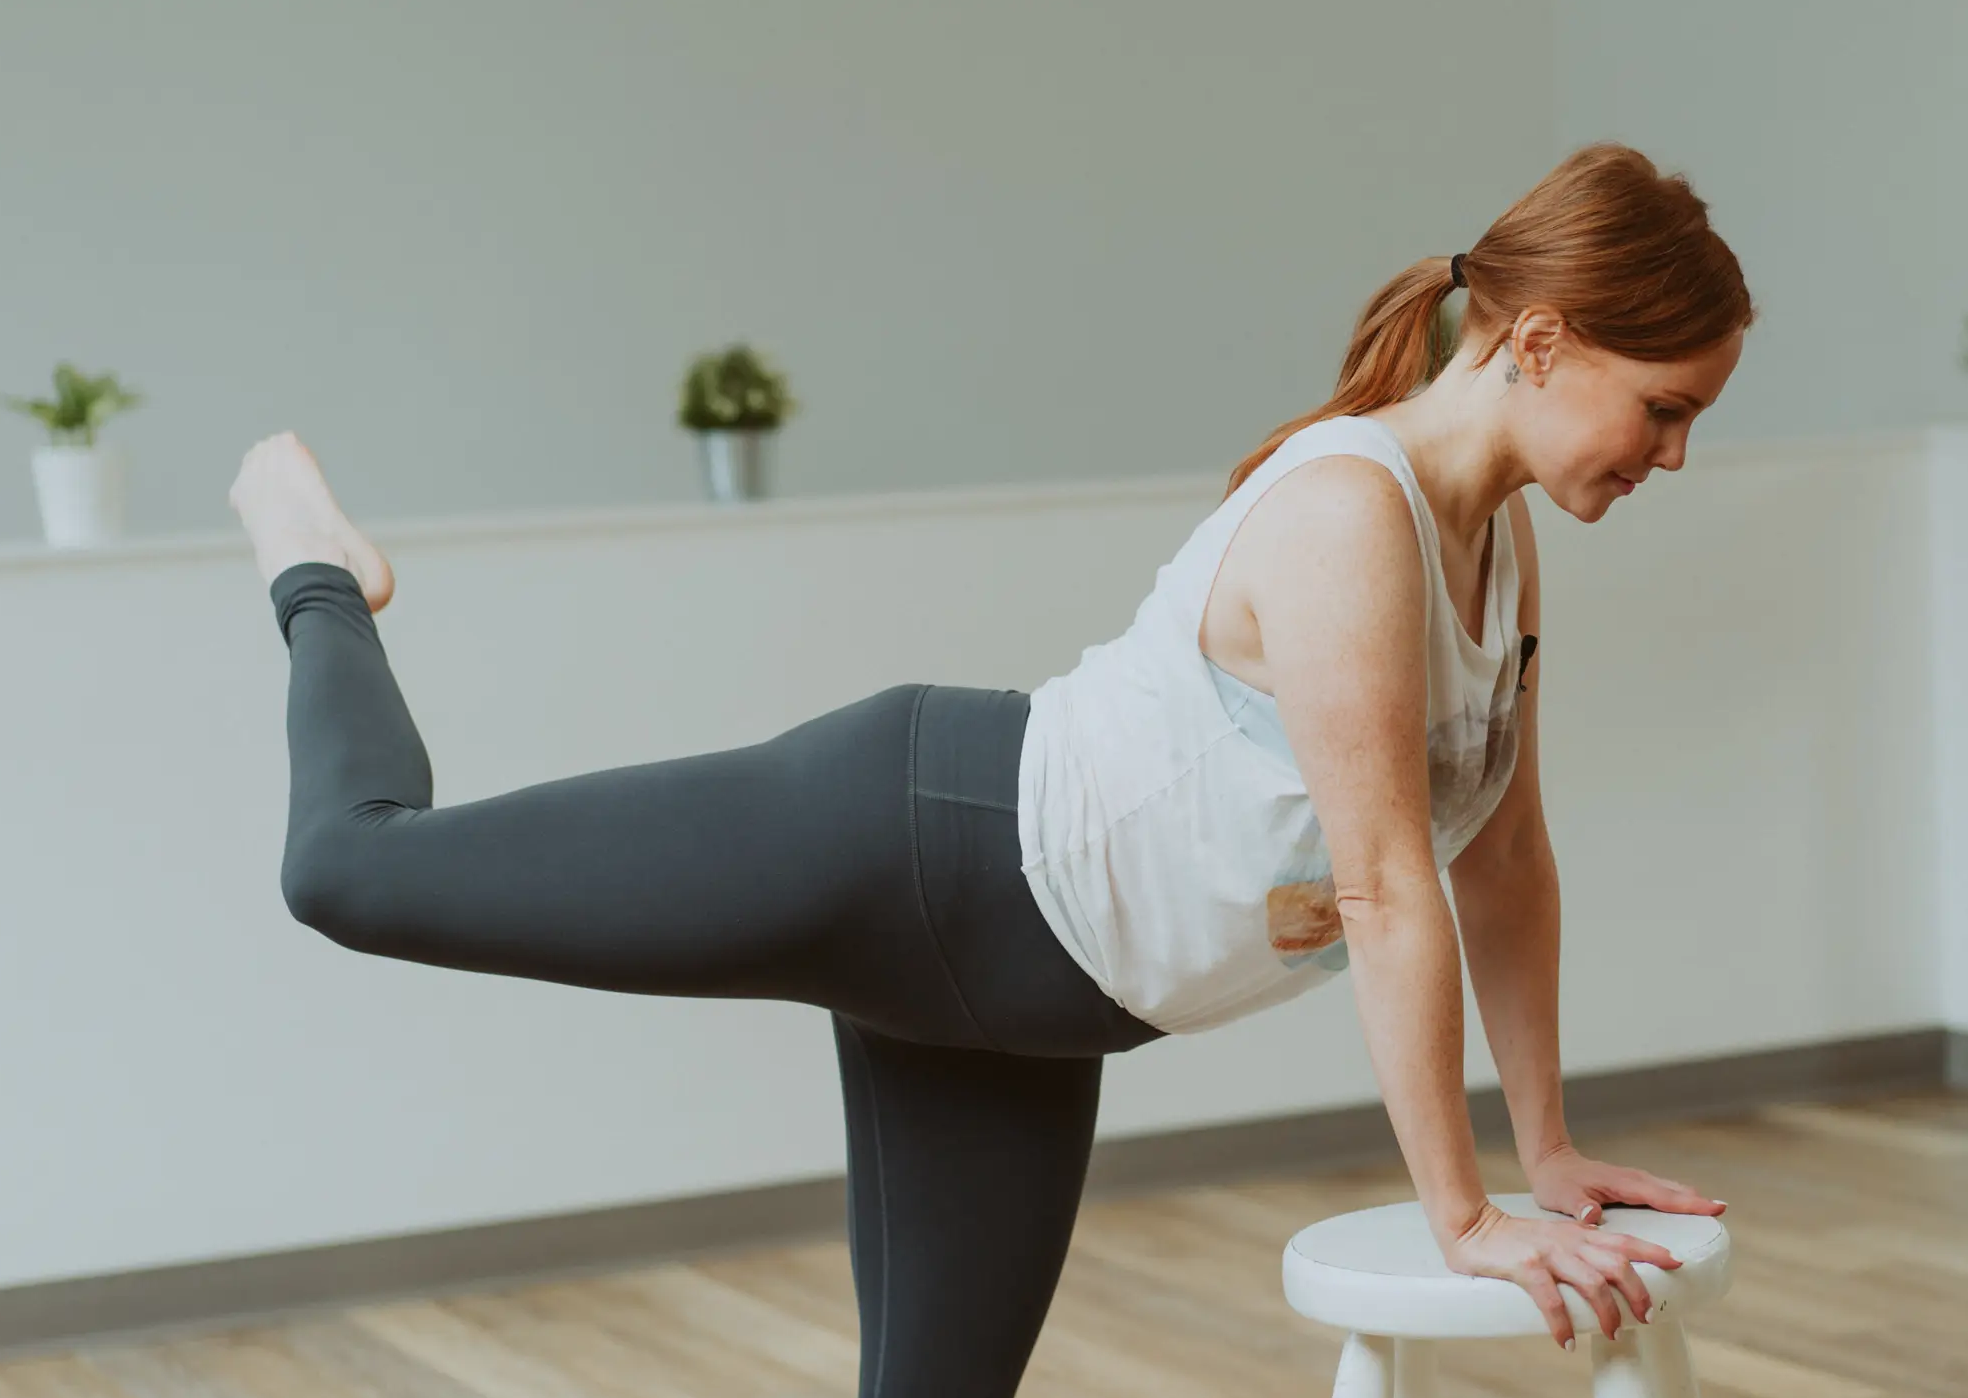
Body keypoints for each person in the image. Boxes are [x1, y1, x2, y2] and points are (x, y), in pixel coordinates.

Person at [228, 141, 1752, 1397]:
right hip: (906, 845)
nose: (1672, 454)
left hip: (1030, 1003)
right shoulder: (1354, 514)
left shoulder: (1504, 551)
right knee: (349, 866)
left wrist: (1545, 1149)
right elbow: (1381, 882)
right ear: (1541, 342)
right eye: (1664, 407)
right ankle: (310, 560)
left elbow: (1503, 863)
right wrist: (1464, 1214)